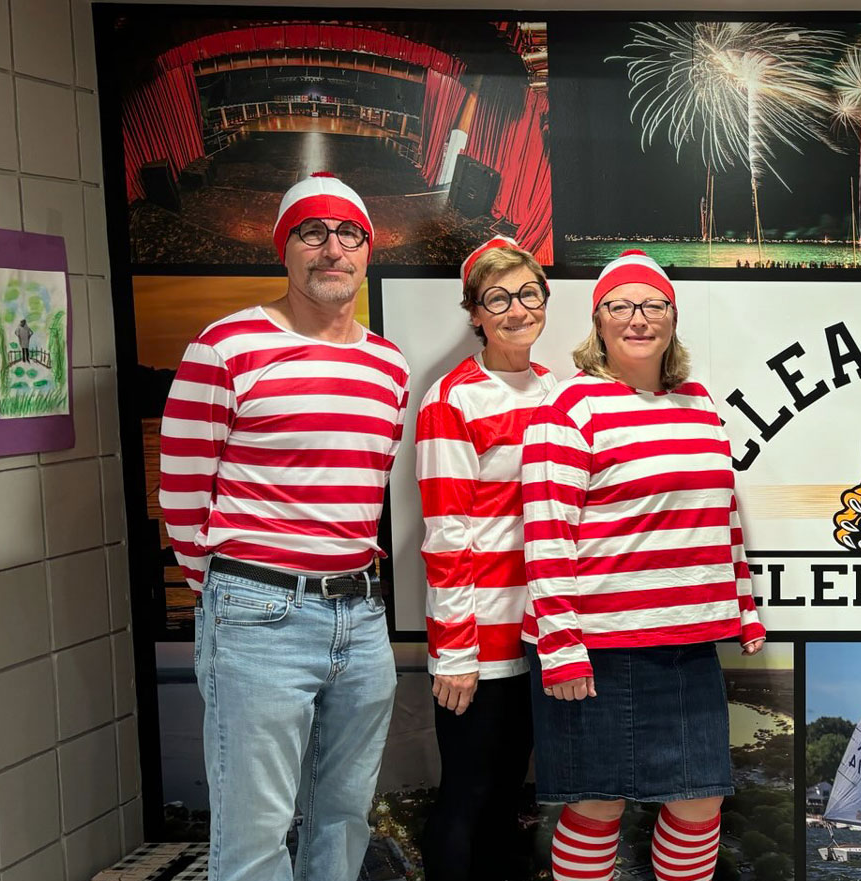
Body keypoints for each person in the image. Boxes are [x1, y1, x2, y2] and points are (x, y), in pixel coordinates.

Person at [159, 172, 409, 881]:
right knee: (254, 833)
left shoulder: (388, 365)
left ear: (367, 250)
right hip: (259, 613)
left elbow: (366, 479)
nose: (333, 248)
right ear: (286, 249)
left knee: (343, 815)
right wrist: (231, 591)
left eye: (349, 234)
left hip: (361, 618)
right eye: (312, 232)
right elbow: (180, 490)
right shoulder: (225, 347)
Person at [521, 250, 766, 881]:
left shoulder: (699, 402)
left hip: (686, 643)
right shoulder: (570, 407)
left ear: (672, 318)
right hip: (598, 648)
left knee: (699, 803)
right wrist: (563, 647)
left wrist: (743, 608)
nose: (638, 319)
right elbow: (547, 535)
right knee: (596, 807)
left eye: (653, 304)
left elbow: (722, 517)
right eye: (621, 306)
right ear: (598, 321)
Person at [416, 237, 557, 880]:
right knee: (468, 798)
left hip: (543, 636)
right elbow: (446, 537)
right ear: (475, 313)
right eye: (497, 298)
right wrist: (454, 650)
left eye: (528, 294)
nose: (516, 309)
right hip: (482, 643)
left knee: (509, 801)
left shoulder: (565, 394)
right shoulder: (452, 400)